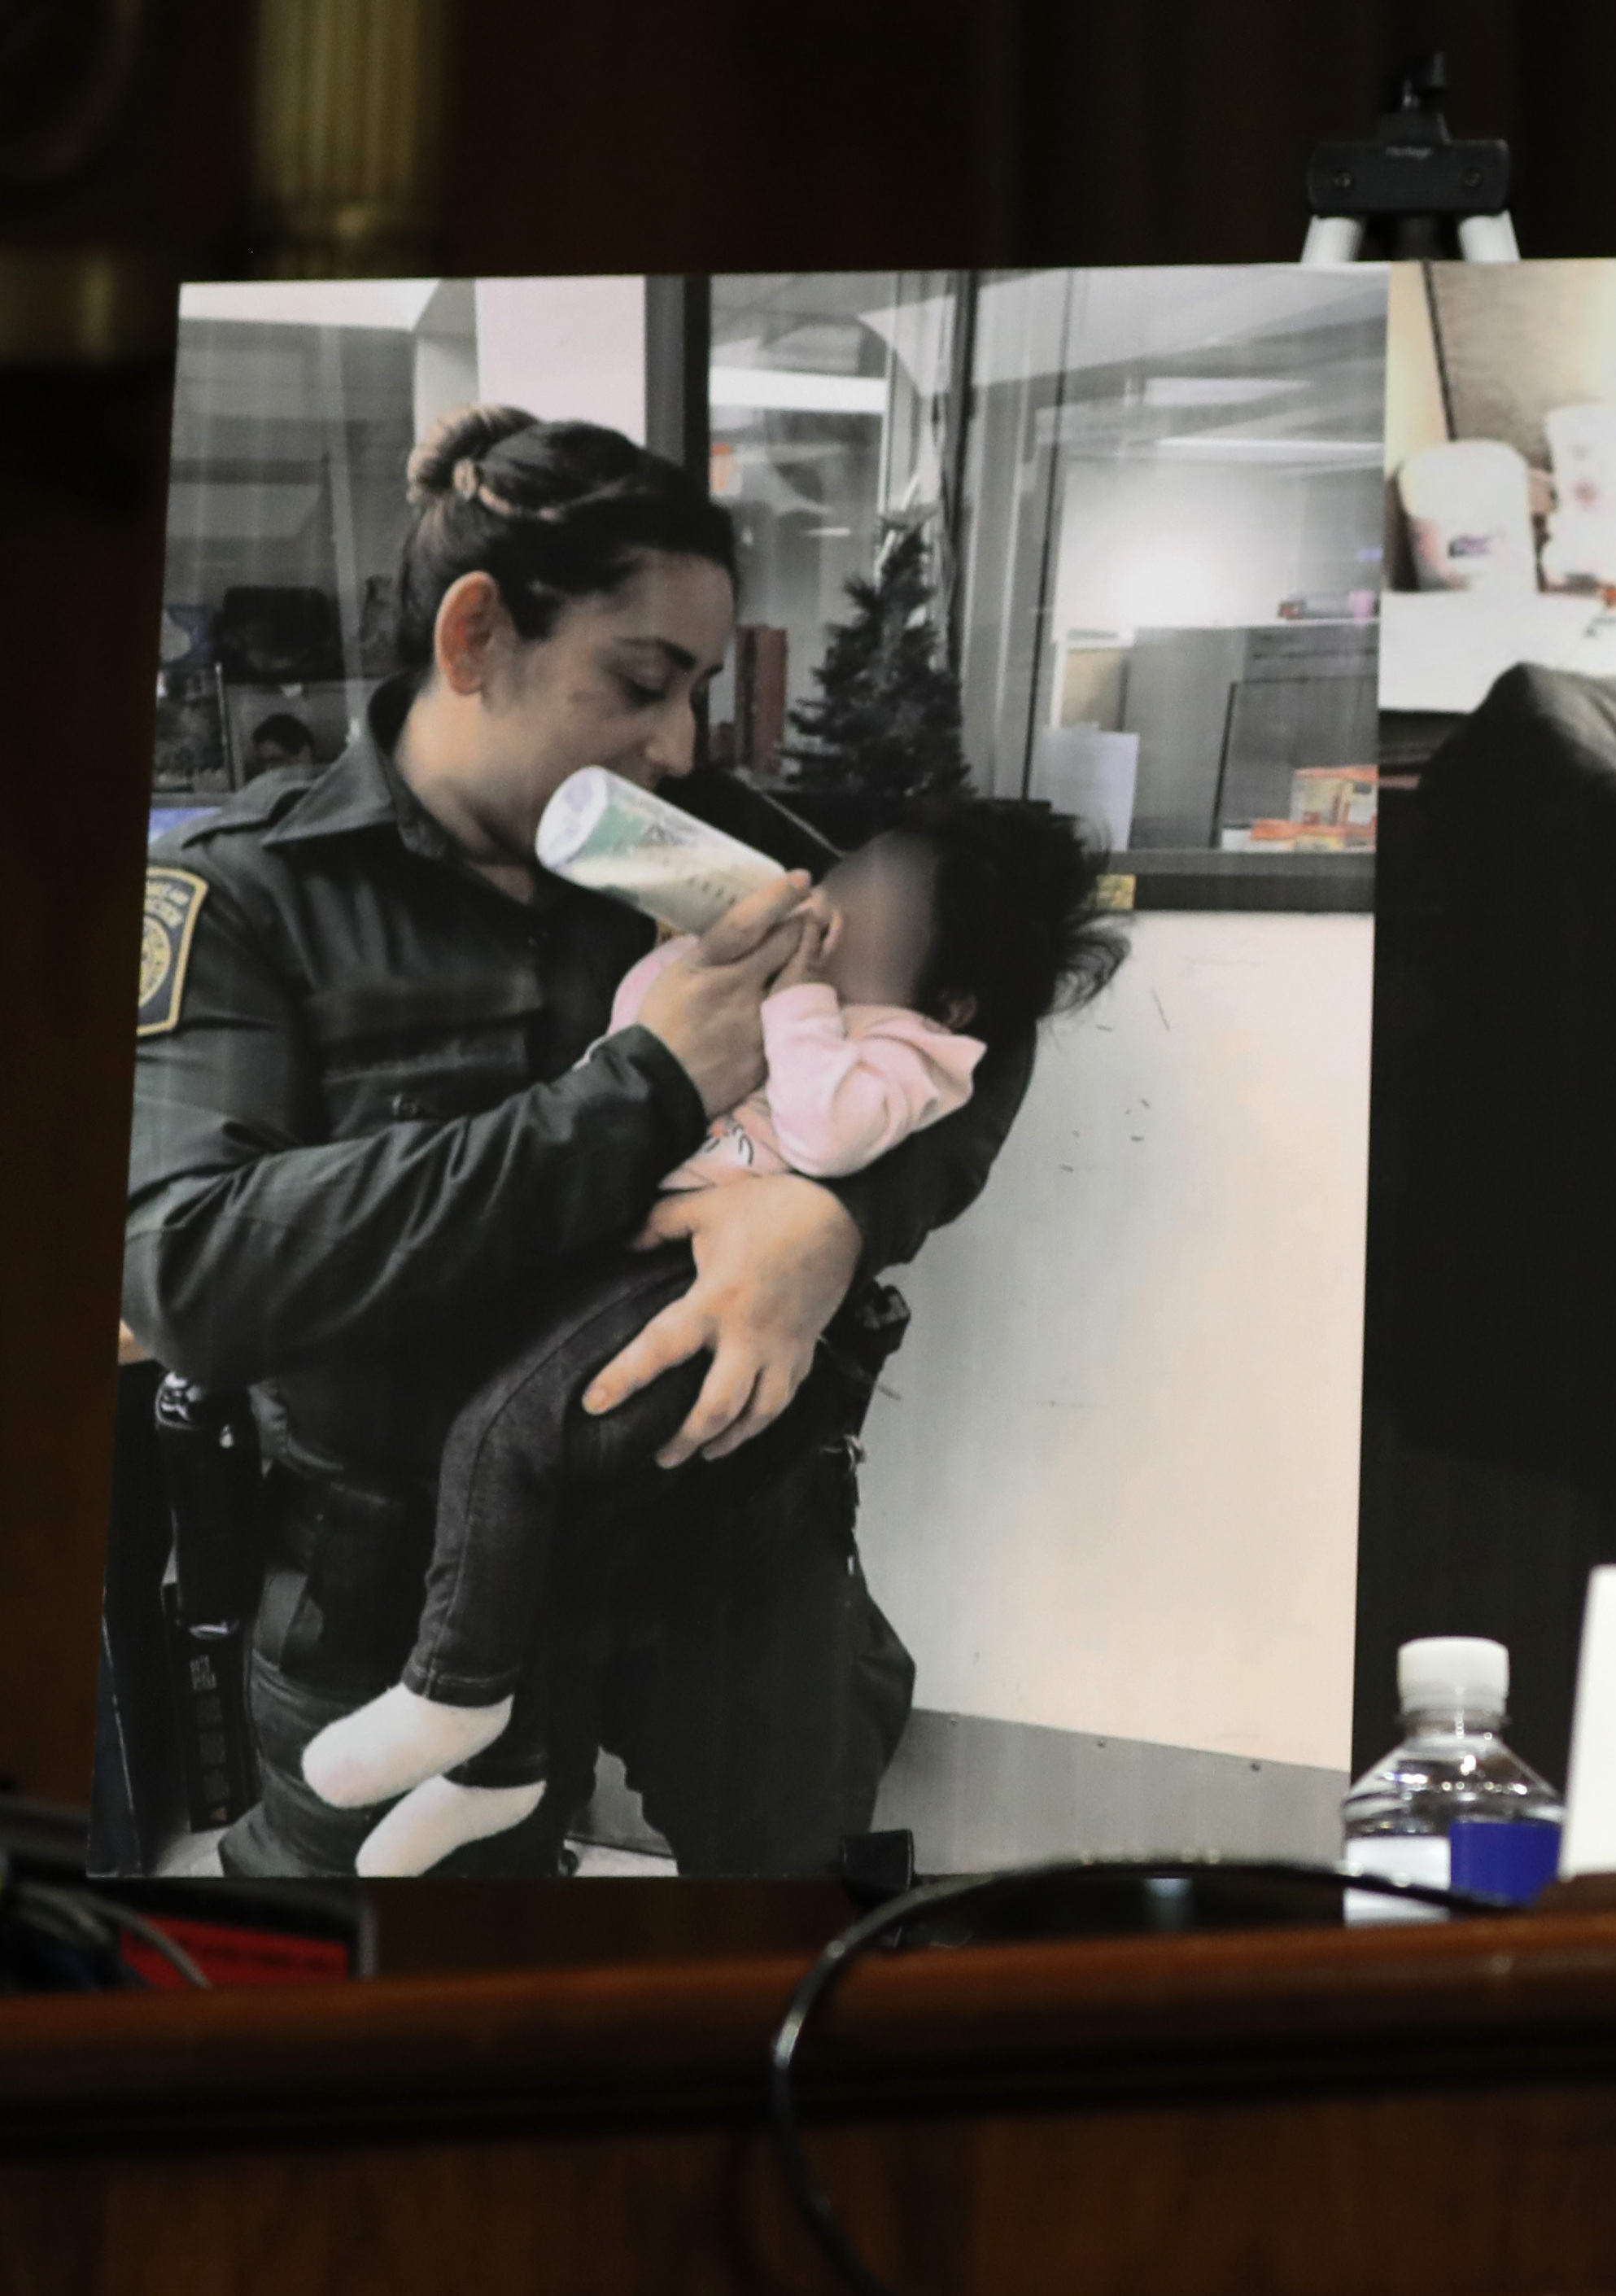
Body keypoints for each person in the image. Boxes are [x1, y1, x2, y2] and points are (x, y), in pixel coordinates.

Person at [125, 404, 1029, 1878]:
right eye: (642, 683)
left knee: (788, 1911)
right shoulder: (250, 896)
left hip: (729, 1528)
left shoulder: (706, 845)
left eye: (697, 692)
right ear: (477, 636)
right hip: (404, 1576)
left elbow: (987, 1001)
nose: (678, 743)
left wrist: (839, 1224)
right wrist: (646, 1091)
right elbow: (196, 1271)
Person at [296, 802, 1123, 1874]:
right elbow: (640, 1046)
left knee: (768, 1820)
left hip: (693, 1354)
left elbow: (897, 1101)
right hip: (402, 1454)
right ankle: (493, 1762)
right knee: (520, 1518)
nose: (832, 893)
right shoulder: (314, 880)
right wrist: (696, 964)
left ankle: (455, 1706)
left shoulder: (897, 1024)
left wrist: (834, 1221)